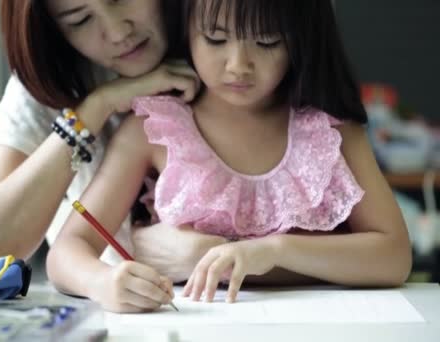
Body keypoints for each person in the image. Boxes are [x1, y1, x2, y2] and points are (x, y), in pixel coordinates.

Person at [46, 0, 412, 313]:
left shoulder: (329, 131)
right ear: (185, 27)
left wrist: (274, 250)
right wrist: (103, 282)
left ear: (300, 40)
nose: (238, 65)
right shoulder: (156, 128)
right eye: (216, 39)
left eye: (266, 41)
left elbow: (394, 257)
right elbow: (66, 252)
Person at [0, 0, 202, 262]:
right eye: (80, 20)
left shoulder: (231, 41)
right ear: (55, 29)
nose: (118, 32)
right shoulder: (51, 79)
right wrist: (95, 109)